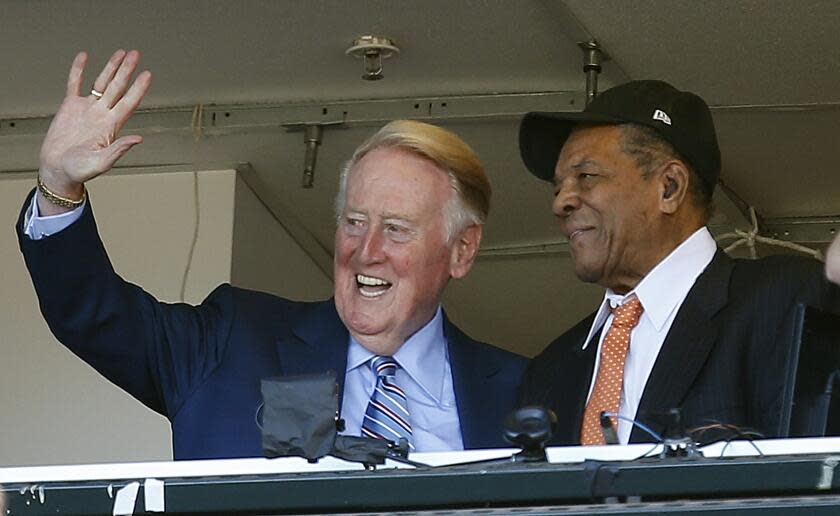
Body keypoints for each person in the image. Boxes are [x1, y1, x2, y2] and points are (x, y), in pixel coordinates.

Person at [16, 50, 526, 460]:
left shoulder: (528, 391)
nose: (366, 251)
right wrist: (58, 185)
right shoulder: (233, 342)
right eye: (354, 222)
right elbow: (94, 315)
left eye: (396, 230)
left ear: (462, 250)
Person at [517, 80, 840, 446]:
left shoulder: (786, 300)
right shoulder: (551, 369)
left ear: (669, 187)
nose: (561, 203)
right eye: (558, 187)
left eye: (586, 177)